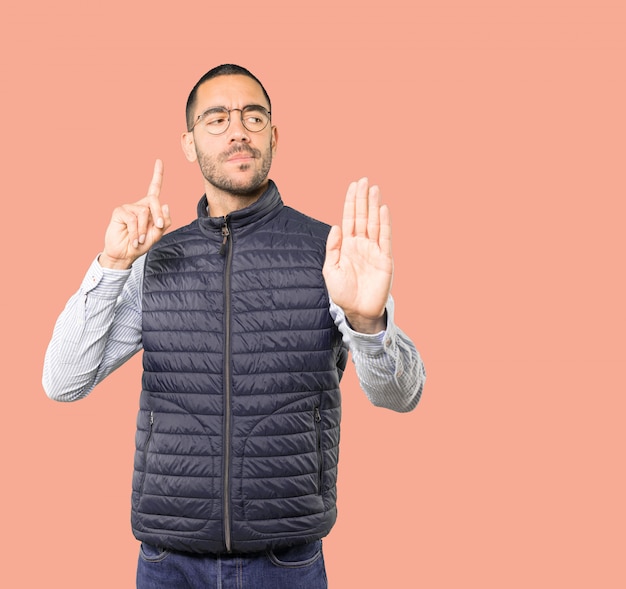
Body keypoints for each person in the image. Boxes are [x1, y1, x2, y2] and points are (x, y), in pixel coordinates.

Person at [43, 64, 426, 589]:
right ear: (188, 143)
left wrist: (367, 321)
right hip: (167, 562)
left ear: (274, 134)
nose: (238, 129)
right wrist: (111, 265)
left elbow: (400, 395)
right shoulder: (157, 259)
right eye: (216, 119)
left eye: (253, 115)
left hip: (285, 563)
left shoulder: (330, 253)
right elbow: (63, 381)